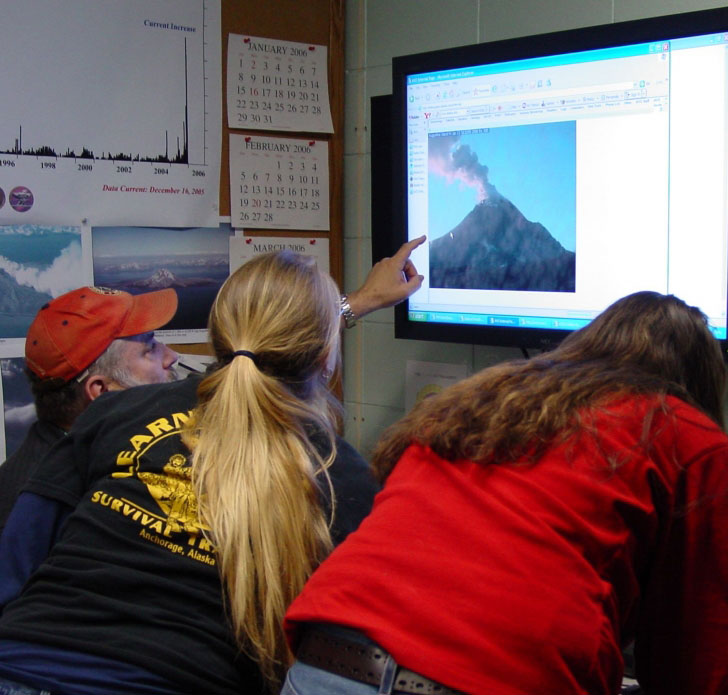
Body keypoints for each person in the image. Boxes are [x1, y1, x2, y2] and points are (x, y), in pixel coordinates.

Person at [0, 238, 424, 695]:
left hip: (21, 663)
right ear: (325, 359)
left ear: (221, 336)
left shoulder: (118, 414)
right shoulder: (344, 482)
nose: (165, 354)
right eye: (146, 346)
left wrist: (346, 306)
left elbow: (17, 562)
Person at [282, 291, 728, 695]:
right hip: (490, 679)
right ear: (701, 383)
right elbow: (694, 664)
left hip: (325, 659)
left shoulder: (484, 402)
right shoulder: (689, 437)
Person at [0, 286, 180, 535]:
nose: (172, 356)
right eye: (149, 349)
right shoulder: (35, 510)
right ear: (102, 391)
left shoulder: (95, 457)